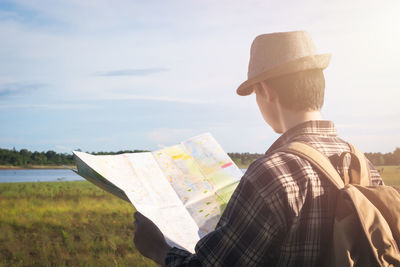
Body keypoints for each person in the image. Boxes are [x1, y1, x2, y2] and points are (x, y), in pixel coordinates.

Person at [133, 31, 383, 266]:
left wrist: (157, 248)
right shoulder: (363, 165)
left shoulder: (272, 174)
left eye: (254, 93)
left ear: (265, 90)